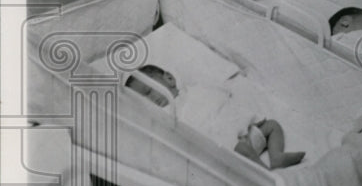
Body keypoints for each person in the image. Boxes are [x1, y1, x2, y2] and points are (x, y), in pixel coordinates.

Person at [124, 64, 305, 170]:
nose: (150, 99)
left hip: (245, 131)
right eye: (144, 99)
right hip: (232, 147)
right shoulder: (166, 113)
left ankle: (277, 156)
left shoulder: (194, 90)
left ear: (169, 79)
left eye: (148, 91)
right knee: (242, 148)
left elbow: (217, 94)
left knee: (273, 125)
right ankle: (267, 177)